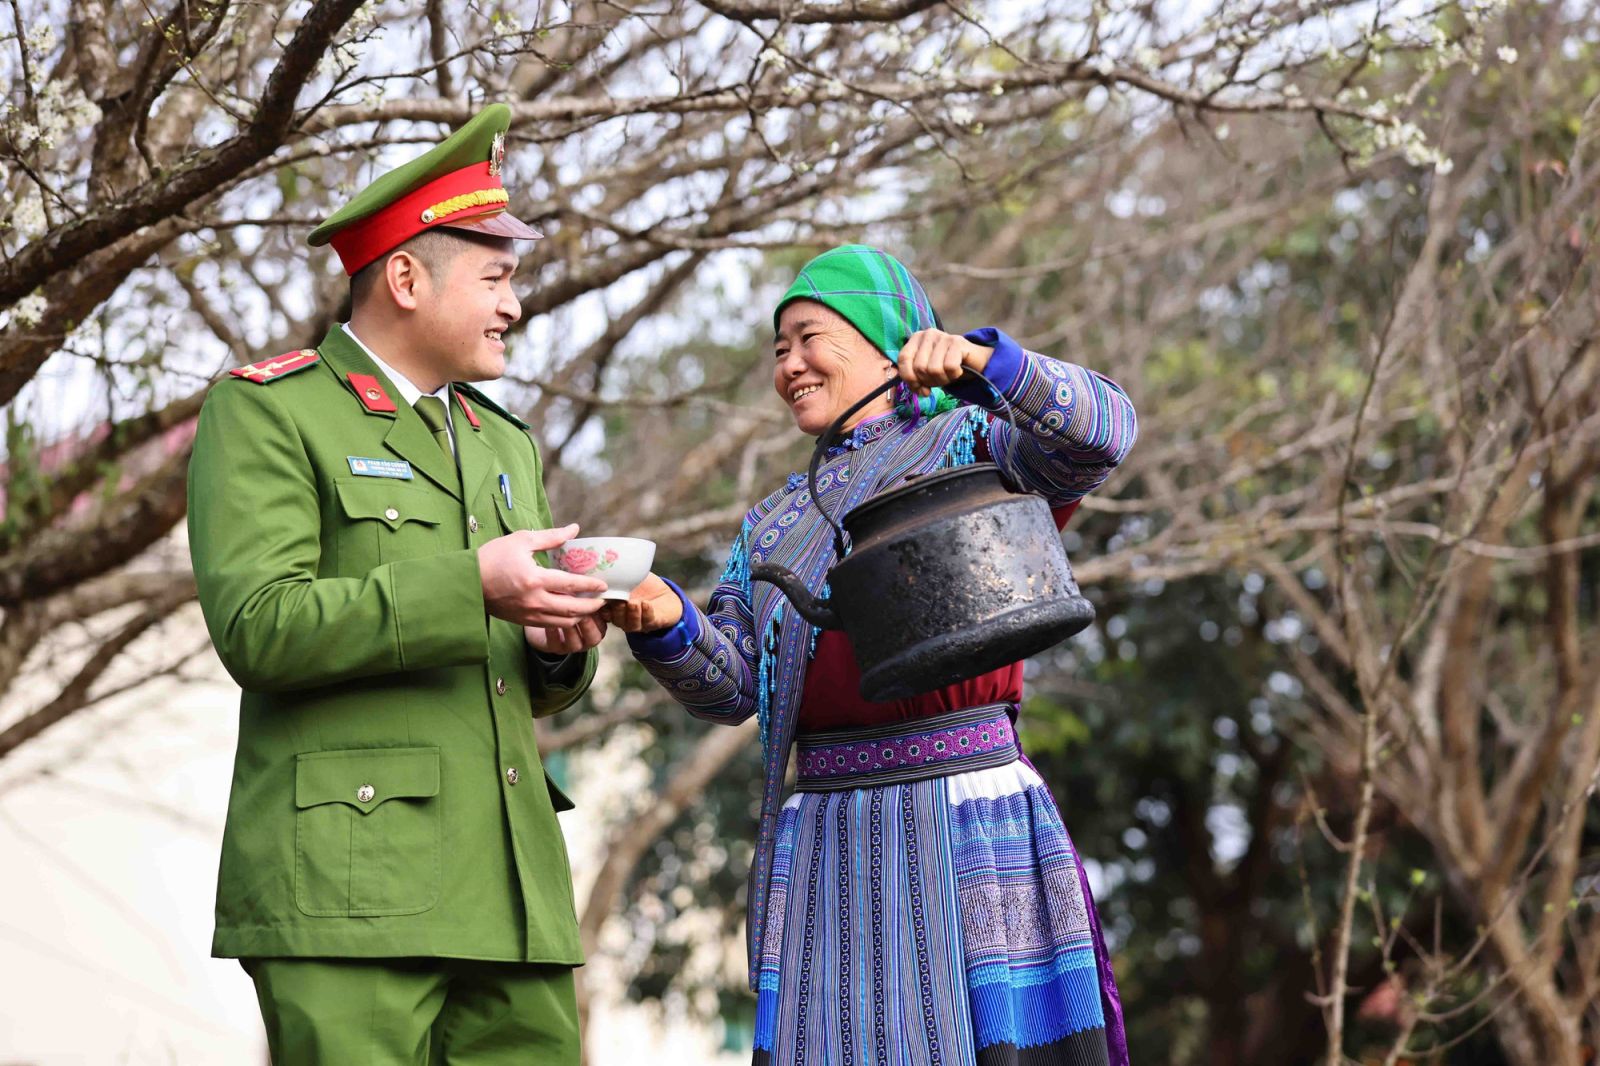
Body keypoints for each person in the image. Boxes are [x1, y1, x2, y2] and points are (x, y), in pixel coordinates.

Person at [604, 244, 1137, 1065]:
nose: (789, 365)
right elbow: (733, 689)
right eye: (778, 349)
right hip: (829, 838)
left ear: (890, 343)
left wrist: (984, 364)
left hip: (967, 816)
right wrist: (662, 618)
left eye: (809, 338)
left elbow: (1102, 435)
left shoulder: (976, 442)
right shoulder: (772, 524)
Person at [187, 104, 609, 1065]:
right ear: (407, 279)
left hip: (512, 895)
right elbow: (259, 626)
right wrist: (474, 587)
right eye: (497, 279)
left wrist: (555, 646)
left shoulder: (502, 442)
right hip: (349, 890)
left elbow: (513, 679)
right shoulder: (269, 413)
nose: (515, 306)